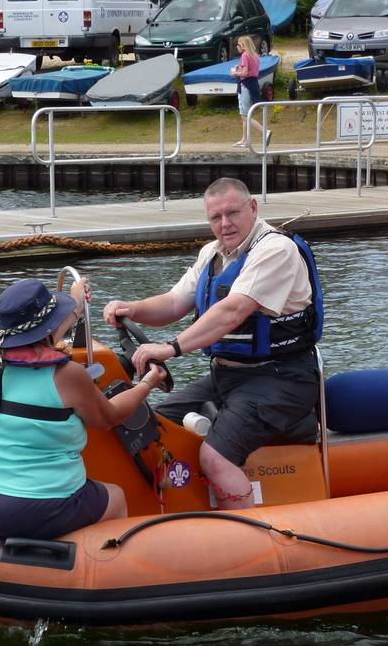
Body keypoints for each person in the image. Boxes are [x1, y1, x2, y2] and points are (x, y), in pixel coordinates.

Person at [102, 177, 323, 510]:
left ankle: (250, 542)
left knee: (215, 457)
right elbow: (175, 302)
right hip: (228, 376)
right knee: (158, 422)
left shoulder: (275, 249)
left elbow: (232, 311)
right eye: (215, 218)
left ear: (252, 208)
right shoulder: (212, 253)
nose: (225, 224)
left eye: (232, 213)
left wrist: (171, 348)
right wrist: (132, 309)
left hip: (282, 378)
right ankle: (172, 507)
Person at [0, 277, 168, 539]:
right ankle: (104, 572)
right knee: (115, 496)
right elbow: (110, 417)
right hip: (19, 507)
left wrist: (76, 302)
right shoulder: (66, 376)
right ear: (48, 330)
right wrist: (147, 383)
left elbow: (45, 334)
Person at [230, 36, 271, 149]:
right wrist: (240, 69)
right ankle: (245, 139)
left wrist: (235, 73)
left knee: (245, 115)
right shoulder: (255, 55)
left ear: (243, 45)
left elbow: (245, 72)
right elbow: (252, 71)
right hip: (253, 84)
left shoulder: (245, 55)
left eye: (238, 45)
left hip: (246, 85)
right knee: (245, 114)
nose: (237, 47)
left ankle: (265, 132)